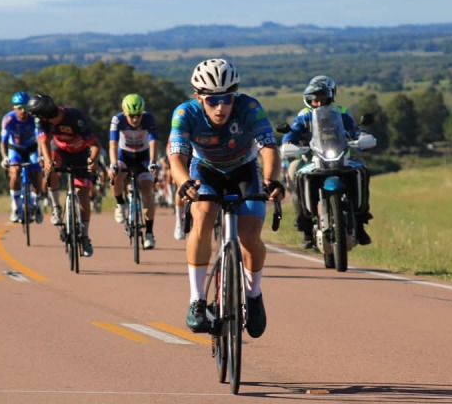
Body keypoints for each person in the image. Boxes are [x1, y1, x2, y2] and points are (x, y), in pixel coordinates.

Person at [168, 58, 285, 338]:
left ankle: (254, 295)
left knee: (250, 234)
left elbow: (269, 147)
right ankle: (197, 299)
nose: (221, 107)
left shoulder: (249, 107)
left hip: (244, 169)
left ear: (236, 94)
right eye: (212, 100)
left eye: (227, 99)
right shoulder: (185, 113)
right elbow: (176, 157)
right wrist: (184, 183)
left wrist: (271, 179)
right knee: (204, 213)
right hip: (205, 169)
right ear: (198, 97)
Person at [280, 75, 373, 247]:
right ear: (308, 100)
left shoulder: (342, 113)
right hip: (310, 159)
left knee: (362, 170)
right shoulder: (304, 116)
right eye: (315, 100)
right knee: (294, 172)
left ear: (331, 97)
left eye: (323, 99)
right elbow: (292, 132)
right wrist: (287, 142)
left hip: (341, 156)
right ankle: (305, 227)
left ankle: (360, 222)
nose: (319, 103)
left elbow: (353, 130)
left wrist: (361, 138)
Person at [27, 93, 99, 258]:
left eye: (38, 116)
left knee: (83, 196)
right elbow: (44, 142)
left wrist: (92, 160)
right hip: (59, 151)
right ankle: (57, 208)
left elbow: (95, 145)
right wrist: (47, 161)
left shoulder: (75, 117)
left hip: (81, 153)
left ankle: (85, 236)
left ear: (46, 115)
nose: (37, 119)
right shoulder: (42, 121)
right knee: (51, 167)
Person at [108, 93, 159, 250]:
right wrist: (113, 164)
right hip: (125, 155)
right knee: (116, 176)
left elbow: (153, 142)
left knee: (147, 190)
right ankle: (120, 204)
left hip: (143, 156)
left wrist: (152, 163)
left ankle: (149, 233)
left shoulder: (149, 119)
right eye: (132, 116)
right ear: (124, 112)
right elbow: (113, 144)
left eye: (138, 115)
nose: (135, 119)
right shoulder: (117, 120)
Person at [0, 91, 44, 223]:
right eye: (20, 108)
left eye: (26, 107)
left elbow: (41, 139)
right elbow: (3, 142)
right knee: (15, 173)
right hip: (16, 149)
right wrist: (4, 157)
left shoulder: (35, 119)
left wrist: (41, 157)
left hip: (32, 148)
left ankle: (37, 204)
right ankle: (16, 207)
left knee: (36, 173)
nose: (23, 111)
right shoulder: (8, 119)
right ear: (14, 108)